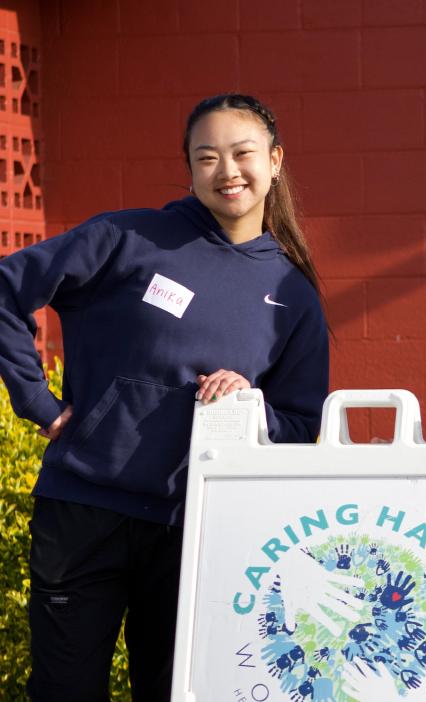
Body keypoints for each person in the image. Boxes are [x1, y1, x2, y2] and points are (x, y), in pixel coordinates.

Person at [0, 94, 329, 701]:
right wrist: (38, 405)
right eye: (207, 157)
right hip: (84, 513)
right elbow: (6, 291)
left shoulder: (292, 293)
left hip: (195, 529)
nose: (227, 170)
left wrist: (249, 405)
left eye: (242, 153)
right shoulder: (129, 237)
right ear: (189, 169)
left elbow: (301, 422)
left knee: (175, 693)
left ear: (276, 162)